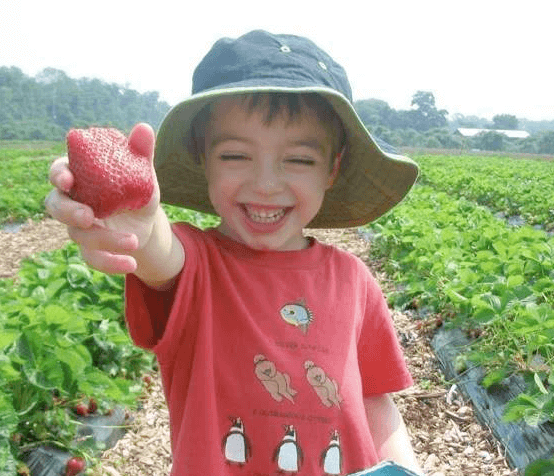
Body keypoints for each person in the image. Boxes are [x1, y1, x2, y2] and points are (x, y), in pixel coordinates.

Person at [45, 30, 423, 476]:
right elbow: (160, 254)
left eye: (298, 160)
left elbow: (374, 397)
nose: (265, 184)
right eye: (235, 156)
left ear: (332, 168)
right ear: (202, 156)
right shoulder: (198, 265)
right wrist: (141, 226)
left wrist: (404, 468)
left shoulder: (354, 280)